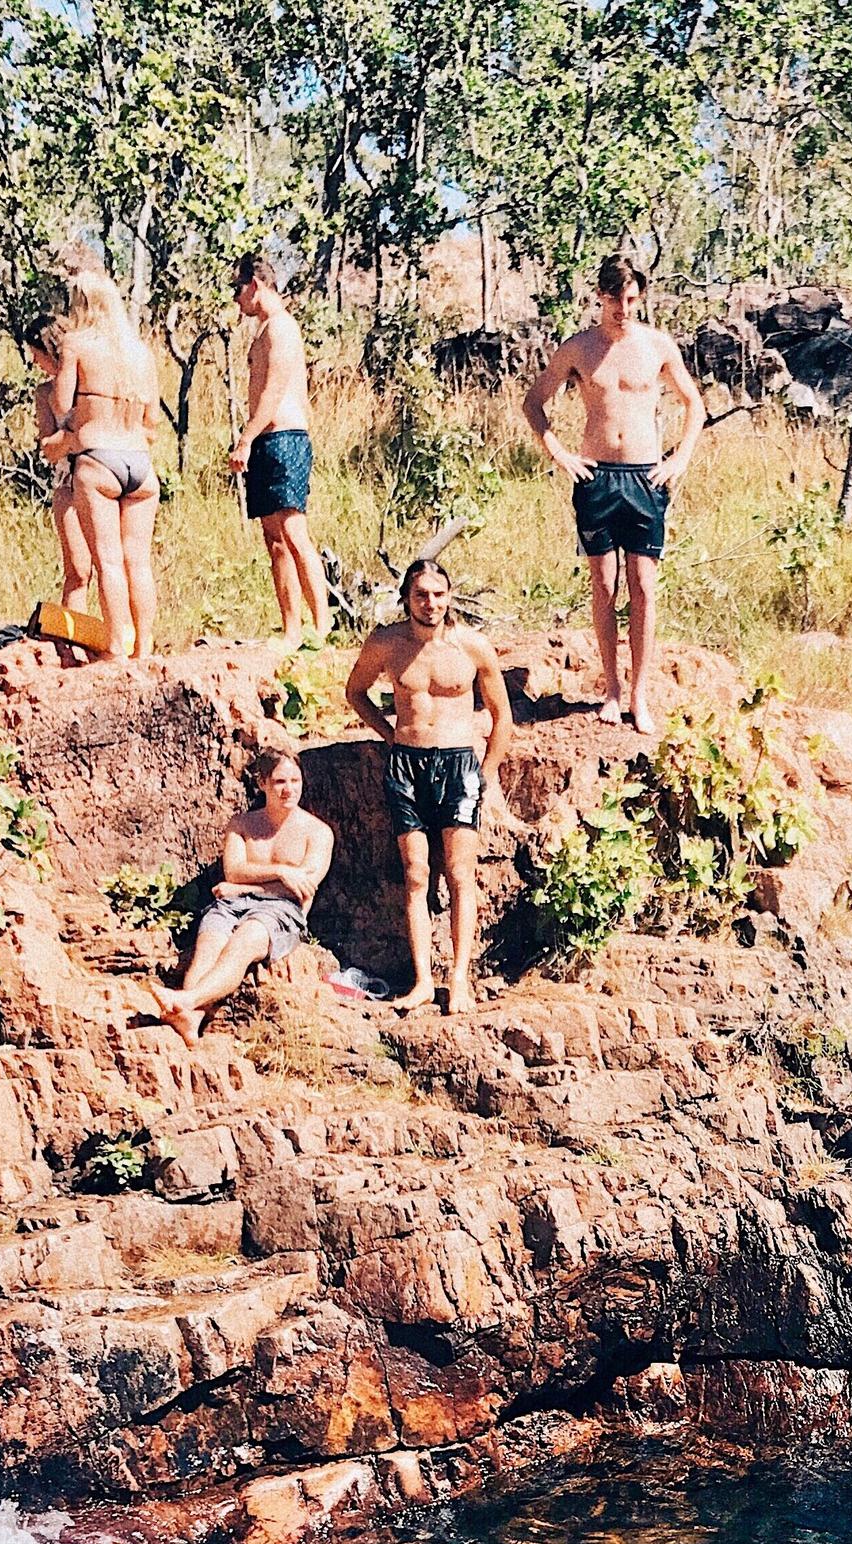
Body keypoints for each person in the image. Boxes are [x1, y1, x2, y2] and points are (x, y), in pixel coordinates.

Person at [521, 254, 707, 735]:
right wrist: (559, 453)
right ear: (599, 299)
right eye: (614, 300)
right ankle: (611, 690)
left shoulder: (657, 346)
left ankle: (640, 695)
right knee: (604, 585)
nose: (623, 309)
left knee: (643, 586)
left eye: (630, 300)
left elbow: (694, 404)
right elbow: (534, 402)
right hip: (596, 477)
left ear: (638, 298)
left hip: (647, 478)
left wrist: (680, 459)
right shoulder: (579, 349)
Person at [343, 558, 513, 1014]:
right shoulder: (386, 643)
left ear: (450, 597)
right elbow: (355, 691)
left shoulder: (472, 647)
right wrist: (389, 734)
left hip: (459, 764)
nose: (431, 603)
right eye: (421, 594)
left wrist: (488, 773)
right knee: (416, 874)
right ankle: (421, 980)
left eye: (439, 594)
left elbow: (502, 717)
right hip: (407, 763)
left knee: (459, 873)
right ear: (407, 598)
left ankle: (458, 979)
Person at [147, 746, 333, 1049]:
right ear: (262, 783)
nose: (289, 790)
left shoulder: (318, 832)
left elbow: (303, 888)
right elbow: (233, 871)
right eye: (280, 782)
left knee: (243, 941)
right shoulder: (243, 824)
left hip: (281, 911)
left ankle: (187, 1000)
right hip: (233, 903)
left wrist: (248, 887)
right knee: (208, 946)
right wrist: (282, 872)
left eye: (295, 781)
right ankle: (191, 1018)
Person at [43, 269, 159, 660]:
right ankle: (145, 648)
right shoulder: (141, 352)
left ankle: (114, 648)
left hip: (98, 459)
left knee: (107, 561)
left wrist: (84, 416)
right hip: (141, 462)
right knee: (138, 563)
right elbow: (153, 422)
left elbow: (59, 405)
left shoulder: (76, 345)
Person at [228, 254, 330, 649]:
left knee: (292, 531)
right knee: (274, 539)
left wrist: (245, 439)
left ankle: (320, 627)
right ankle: (291, 628)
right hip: (266, 441)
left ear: (255, 284)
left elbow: (272, 393)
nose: (236, 300)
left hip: (284, 438)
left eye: (238, 290)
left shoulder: (282, 328)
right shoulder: (263, 329)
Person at [23, 312, 92, 616]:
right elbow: (48, 447)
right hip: (68, 479)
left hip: (102, 473)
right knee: (78, 568)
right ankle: (70, 640)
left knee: (111, 564)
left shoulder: (93, 383)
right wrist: (74, 435)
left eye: (36, 354)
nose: (35, 362)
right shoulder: (45, 393)